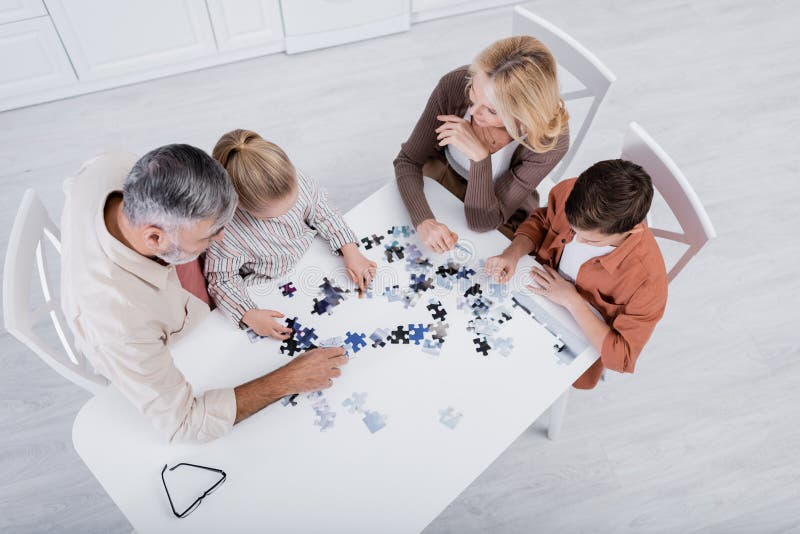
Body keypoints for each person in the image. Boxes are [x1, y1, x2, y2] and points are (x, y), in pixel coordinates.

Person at [60, 145, 347, 443]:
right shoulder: (119, 323)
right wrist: (288, 380)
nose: (221, 237)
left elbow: (75, 182)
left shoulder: (114, 164)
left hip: (189, 289)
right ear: (155, 237)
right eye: (210, 233)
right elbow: (185, 423)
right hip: (176, 348)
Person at [485, 159, 668, 389]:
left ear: (631, 231)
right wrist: (513, 252)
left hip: (570, 340)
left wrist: (572, 301)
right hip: (526, 295)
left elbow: (621, 357)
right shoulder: (570, 192)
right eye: (572, 229)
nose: (576, 240)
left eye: (590, 240)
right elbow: (542, 221)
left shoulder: (647, 282)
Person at [394, 35, 570, 252]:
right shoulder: (455, 85)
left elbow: (481, 222)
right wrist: (424, 221)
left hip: (499, 205)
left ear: (525, 115)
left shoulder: (551, 141)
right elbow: (407, 160)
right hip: (441, 177)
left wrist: (480, 159)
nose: (474, 112)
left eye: (492, 110)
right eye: (473, 92)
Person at [204, 129, 377, 339]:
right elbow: (221, 279)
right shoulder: (226, 233)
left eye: (293, 202)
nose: (289, 212)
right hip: (271, 287)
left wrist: (350, 249)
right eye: (271, 216)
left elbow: (321, 209)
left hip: (317, 259)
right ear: (238, 204)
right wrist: (248, 314)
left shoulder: (292, 179)